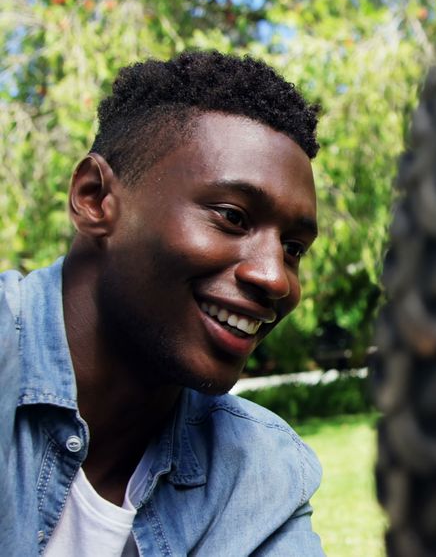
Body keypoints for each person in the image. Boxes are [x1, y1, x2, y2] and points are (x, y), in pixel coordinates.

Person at [0, 50, 325, 555]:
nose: (275, 278)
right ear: (94, 198)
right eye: (232, 217)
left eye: (293, 249)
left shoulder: (259, 474)